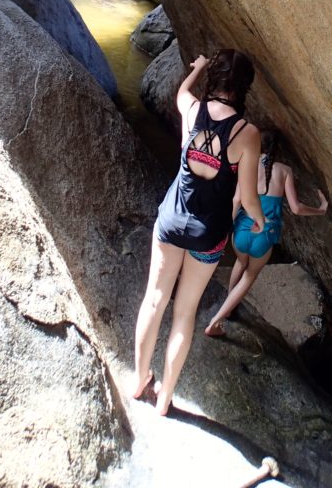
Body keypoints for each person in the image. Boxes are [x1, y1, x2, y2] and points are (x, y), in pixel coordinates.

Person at [132, 49, 265, 415]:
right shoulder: (247, 134)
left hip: (172, 219)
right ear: (244, 87)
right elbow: (250, 197)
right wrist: (259, 221)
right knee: (185, 312)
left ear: (215, 78)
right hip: (209, 234)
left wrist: (197, 69)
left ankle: (140, 379)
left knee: (154, 300)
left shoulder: (192, 110)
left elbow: (181, 93)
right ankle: (164, 399)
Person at [204, 130, 328, 338]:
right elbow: (296, 209)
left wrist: (226, 227)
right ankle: (216, 321)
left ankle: (230, 305)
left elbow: (235, 201)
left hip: (242, 231)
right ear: (277, 151)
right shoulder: (285, 170)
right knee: (250, 276)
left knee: (240, 263)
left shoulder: (246, 165)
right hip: (264, 235)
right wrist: (321, 209)